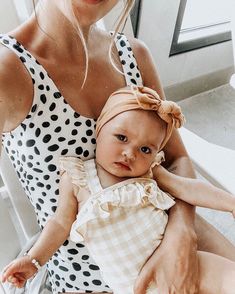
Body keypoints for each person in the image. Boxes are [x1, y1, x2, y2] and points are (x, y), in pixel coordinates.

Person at [0, 0, 235, 293]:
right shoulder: (7, 70)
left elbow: (177, 158)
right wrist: (33, 261)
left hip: (163, 225)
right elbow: (61, 221)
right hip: (92, 276)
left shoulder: (134, 55)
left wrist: (181, 233)